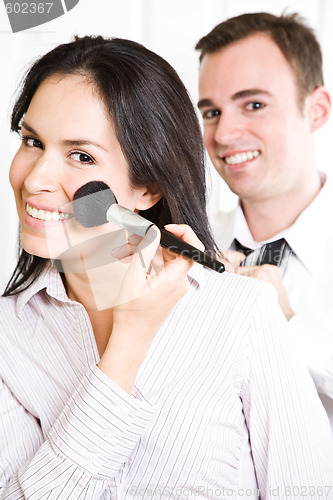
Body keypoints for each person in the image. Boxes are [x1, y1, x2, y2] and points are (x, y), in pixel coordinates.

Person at [0, 36, 332, 499]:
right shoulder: (8, 338)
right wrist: (129, 343)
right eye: (32, 141)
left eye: (81, 156)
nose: (34, 179)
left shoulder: (241, 313)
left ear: (148, 188)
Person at [196, 11, 333, 431]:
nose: (223, 135)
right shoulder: (186, 246)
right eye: (211, 112)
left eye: (253, 104)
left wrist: (286, 327)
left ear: (316, 110)